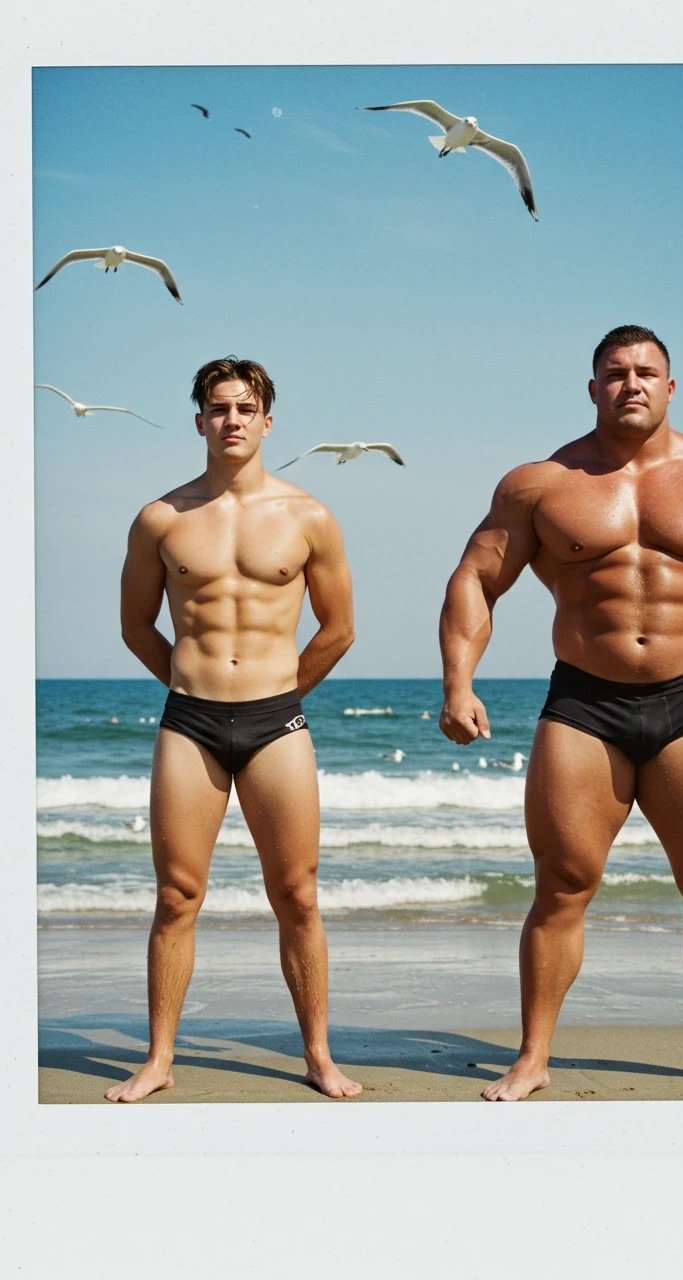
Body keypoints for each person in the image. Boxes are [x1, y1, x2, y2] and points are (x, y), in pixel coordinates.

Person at [439, 325, 683, 1102]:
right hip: (585, 702)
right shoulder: (540, 484)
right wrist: (459, 681)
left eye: (647, 372)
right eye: (615, 373)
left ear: (672, 387)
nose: (632, 384)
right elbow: (476, 579)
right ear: (592, 388)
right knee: (562, 885)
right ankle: (533, 1057)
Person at [107, 356, 361, 1102]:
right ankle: (158, 1059)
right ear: (200, 421)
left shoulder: (308, 516)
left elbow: (339, 629)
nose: (233, 421)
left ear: (267, 422)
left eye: (246, 409)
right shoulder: (162, 517)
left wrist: (277, 695)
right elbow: (135, 625)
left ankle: (318, 1055)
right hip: (189, 723)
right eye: (219, 409)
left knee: (299, 895)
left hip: (277, 723)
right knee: (177, 895)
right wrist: (196, 692)